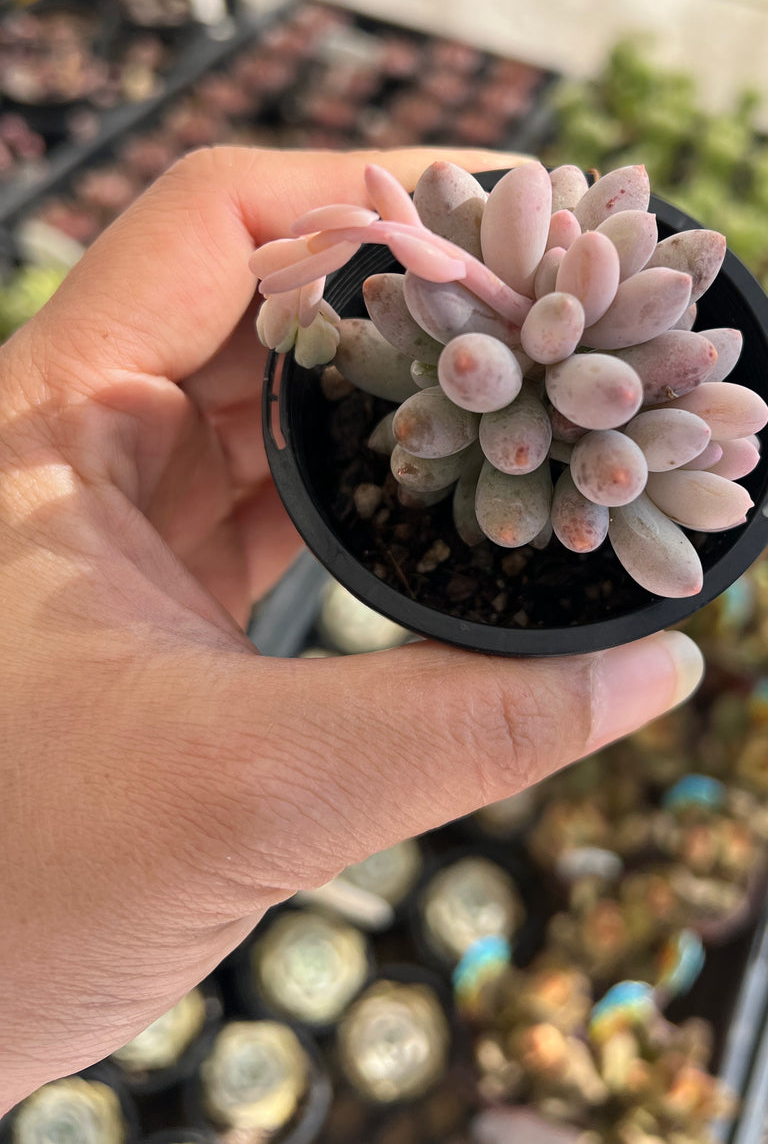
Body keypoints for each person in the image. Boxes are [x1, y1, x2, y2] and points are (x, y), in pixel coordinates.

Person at [0, 146, 704, 1108]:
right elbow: (458, 390)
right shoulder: (441, 370)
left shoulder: (600, 384)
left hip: (569, 445)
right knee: (435, 435)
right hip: (478, 429)